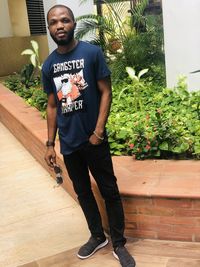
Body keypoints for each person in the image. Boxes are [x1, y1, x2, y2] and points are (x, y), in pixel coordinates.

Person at [42, 4, 136, 267]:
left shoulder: (91, 53)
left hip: (93, 140)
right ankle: (97, 236)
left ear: (73, 23)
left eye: (64, 20)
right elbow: (52, 105)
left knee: (109, 191)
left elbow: (106, 91)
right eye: (53, 22)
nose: (59, 26)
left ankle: (118, 243)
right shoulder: (49, 65)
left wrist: (99, 130)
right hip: (69, 144)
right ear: (49, 28)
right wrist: (50, 144)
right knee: (83, 193)